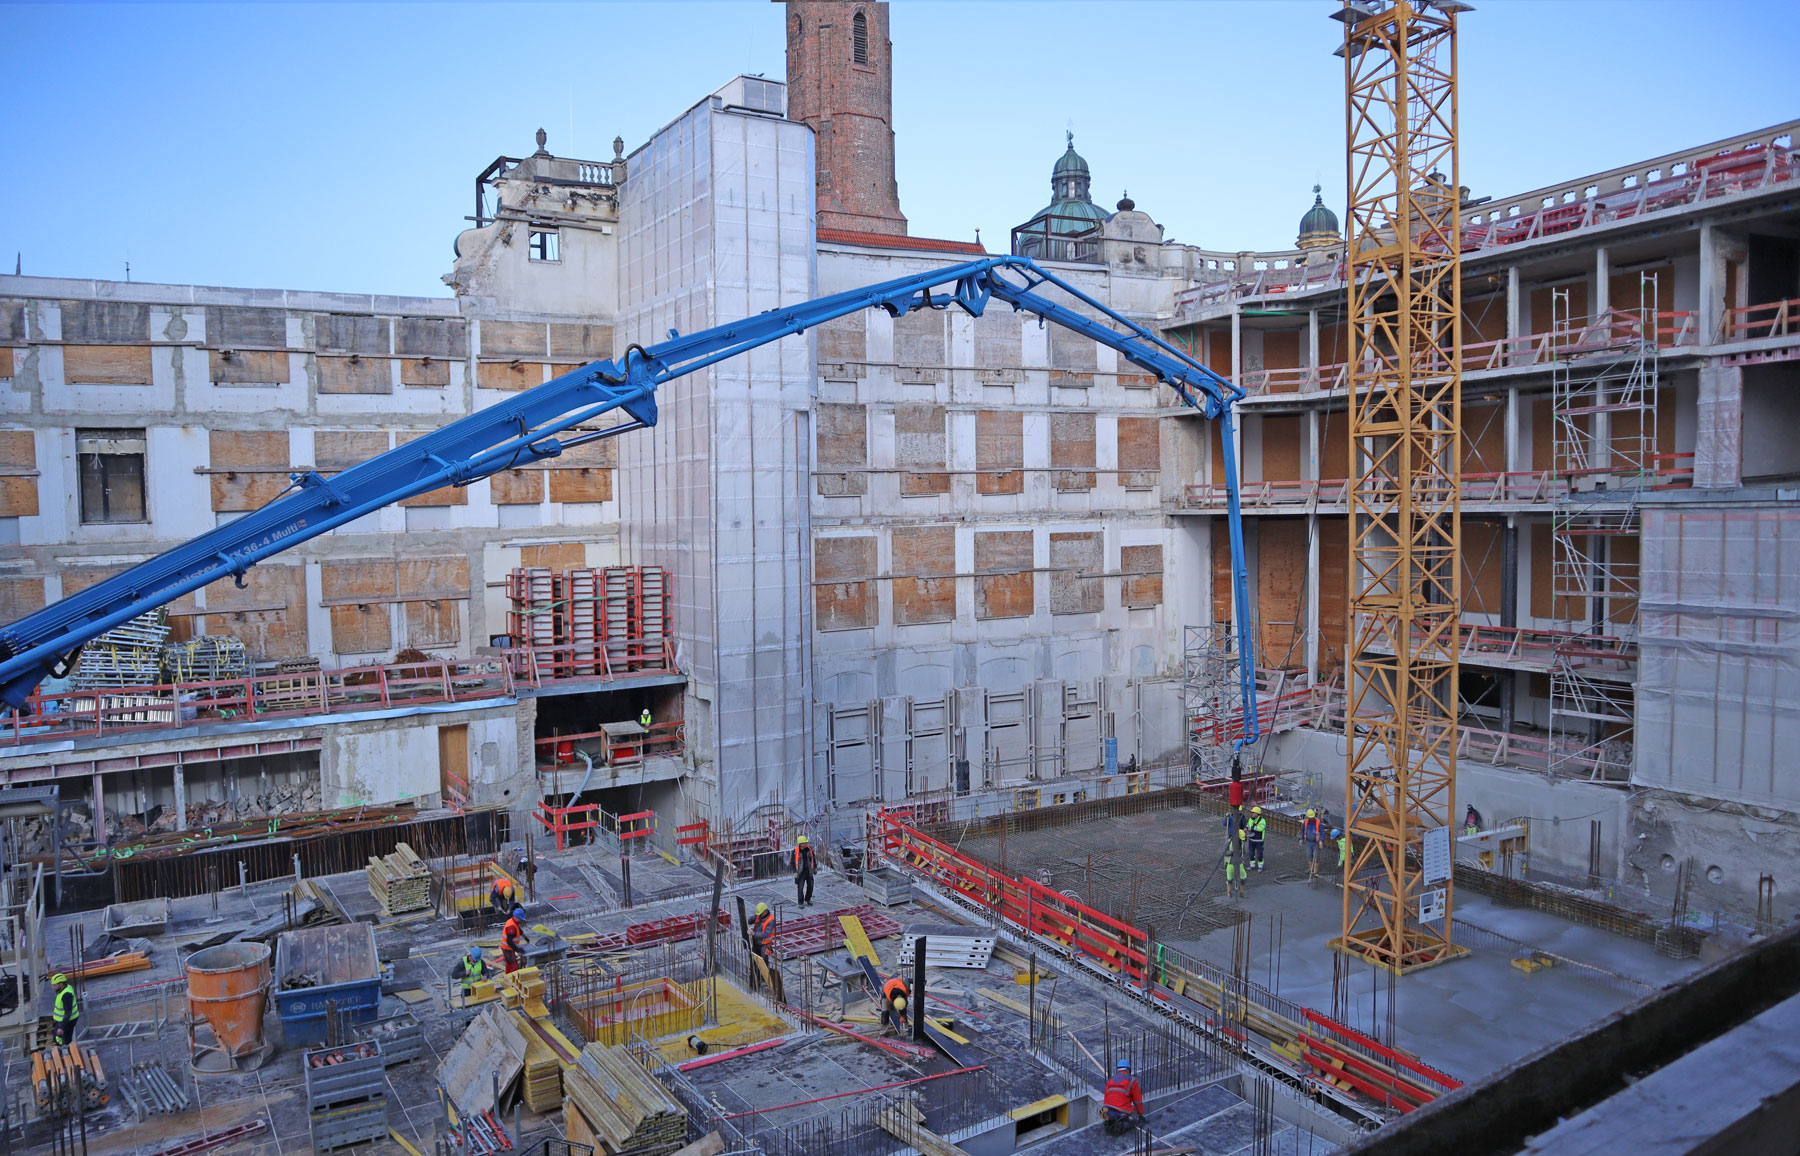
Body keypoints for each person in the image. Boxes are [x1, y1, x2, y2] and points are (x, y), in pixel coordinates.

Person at [1101, 1060, 1145, 1135]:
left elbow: (1106, 1098)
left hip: (1107, 1111)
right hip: (1121, 1111)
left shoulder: (1110, 1080)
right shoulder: (1132, 1080)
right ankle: (1121, 1124)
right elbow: (1138, 1101)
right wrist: (1141, 1115)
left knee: (1111, 1119)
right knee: (1134, 1122)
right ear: (1128, 1070)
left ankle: (1110, 1121)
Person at [502, 905, 531, 974]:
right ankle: (511, 979)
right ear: (517, 917)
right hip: (508, 949)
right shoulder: (511, 927)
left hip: (509, 948)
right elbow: (509, 941)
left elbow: (519, 930)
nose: (521, 920)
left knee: (510, 964)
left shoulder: (513, 922)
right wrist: (518, 950)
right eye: (521, 919)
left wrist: (525, 937)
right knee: (512, 966)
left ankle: (509, 977)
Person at [50, 972, 77, 1045]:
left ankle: (66, 1052)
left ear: (61, 984)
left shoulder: (66, 995)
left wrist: (61, 1028)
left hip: (67, 1021)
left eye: (55, 985)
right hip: (63, 1020)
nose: (53, 987)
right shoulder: (64, 988)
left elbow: (68, 1012)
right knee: (57, 1038)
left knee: (64, 1041)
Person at [793, 834, 817, 908]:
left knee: (811, 886)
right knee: (800, 888)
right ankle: (800, 902)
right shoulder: (796, 851)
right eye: (805, 843)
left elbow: (813, 859)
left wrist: (815, 868)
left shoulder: (809, 850)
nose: (807, 844)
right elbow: (793, 862)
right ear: (801, 844)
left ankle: (808, 899)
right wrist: (795, 872)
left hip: (809, 871)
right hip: (801, 873)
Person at [1300, 808, 1324, 879]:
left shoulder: (1318, 823)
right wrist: (1301, 839)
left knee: (1316, 857)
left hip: (1316, 843)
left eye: (1312, 817)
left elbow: (1322, 832)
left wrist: (1321, 841)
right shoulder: (1306, 822)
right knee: (1309, 856)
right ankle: (1311, 869)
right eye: (1310, 817)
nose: (1311, 819)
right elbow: (1303, 830)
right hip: (1308, 842)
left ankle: (1315, 872)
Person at [1246, 806, 1268, 871]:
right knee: (1251, 853)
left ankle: (1260, 866)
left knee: (1259, 854)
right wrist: (1246, 829)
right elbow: (1248, 825)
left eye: (1253, 812)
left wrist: (1252, 828)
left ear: (1257, 813)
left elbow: (1261, 828)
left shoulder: (1262, 821)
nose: (1251, 813)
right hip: (1251, 840)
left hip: (1259, 841)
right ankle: (1252, 866)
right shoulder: (1250, 819)